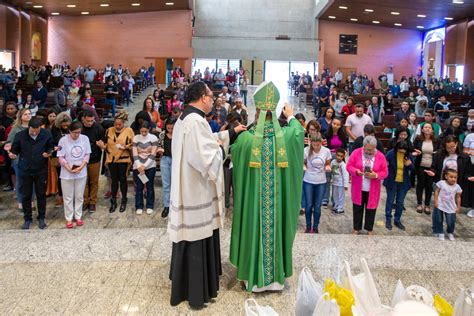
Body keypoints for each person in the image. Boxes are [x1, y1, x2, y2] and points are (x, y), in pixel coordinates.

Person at [168, 81, 244, 308]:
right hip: (195, 192)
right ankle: (197, 293)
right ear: (202, 97)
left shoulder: (185, 119)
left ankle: (185, 285)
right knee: (196, 236)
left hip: (187, 187)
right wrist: (221, 150)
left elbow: (208, 141)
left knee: (189, 236)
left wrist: (231, 132)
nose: (214, 101)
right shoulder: (196, 121)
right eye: (211, 97)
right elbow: (206, 157)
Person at [230, 81, 304, 292]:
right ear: (276, 110)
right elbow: (299, 132)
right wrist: (290, 115)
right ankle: (275, 281)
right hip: (277, 205)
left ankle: (252, 278)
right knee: (275, 228)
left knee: (254, 227)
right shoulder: (288, 137)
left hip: (254, 204)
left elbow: (232, 152)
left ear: (258, 111)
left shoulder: (246, 139)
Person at [9, 117, 54, 229]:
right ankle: (27, 218)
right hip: (25, 169)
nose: (34, 133)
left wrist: (48, 153)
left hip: (40, 169)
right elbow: (15, 150)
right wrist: (12, 154)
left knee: (41, 195)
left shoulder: (46, 134)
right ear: (28, 127)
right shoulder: (20, 135)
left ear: (40, 127)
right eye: (32, 130)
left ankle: (41, 217)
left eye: (36, 130)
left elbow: (50, 147)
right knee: (26, 195)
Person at [346, 136, 388, 235]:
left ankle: (369, 229)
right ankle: (356, 228)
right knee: (357, 208)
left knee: (371, 209)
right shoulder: (356, 152)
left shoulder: (381, 156)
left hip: (372, 189)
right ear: (363, 146)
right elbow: (349, 166)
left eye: (372, 150)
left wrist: (376, 175)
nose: (369, 152)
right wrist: (355, 171)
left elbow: (385, 172)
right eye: (367, 149)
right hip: (358, 187)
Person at [57, 121, 91, 229]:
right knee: (68, 197)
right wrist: (68, 168)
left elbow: (87, 154)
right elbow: (60, 157)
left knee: (79, 196)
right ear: (69, 131)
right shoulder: (63, 140)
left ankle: (78, 216)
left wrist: (81, 166)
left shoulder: (85, 138)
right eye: (74, 133)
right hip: (67, 172)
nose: (77, 135)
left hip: (81, 171)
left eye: (79, 132)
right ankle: (68, 218)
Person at [105, 112, 134, 213]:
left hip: (123, 158)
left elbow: (132, 144)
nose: (117, 126)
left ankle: (124, 200)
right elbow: (106, 144)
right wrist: (102, 146)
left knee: (123, 180)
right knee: (114, 180)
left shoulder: (129, 130)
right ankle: (113, 201)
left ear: (123, 123)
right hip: (112, 159)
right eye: (115, 124)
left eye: (119, 124)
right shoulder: (109, 130)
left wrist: (125, 146)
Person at [303, 133, 331, 233]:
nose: (315, 147)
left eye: (318, 145)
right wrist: (304, 166)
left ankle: (315, 227)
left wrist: (328, 167)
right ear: (311, 143)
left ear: (321, 143)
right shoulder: (306, 150)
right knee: (309, 205)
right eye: (313, 145)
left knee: (317, 206)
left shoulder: (326, 151)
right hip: (308, 180)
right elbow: (304, 162)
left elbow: (327, 163)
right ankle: (308, 225)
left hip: (321, 181)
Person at [383, 140, 414, 230]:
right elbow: (384, 164)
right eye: (400, 151)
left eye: (403, 151)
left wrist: (410, 164)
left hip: (403, 183)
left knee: (400, 202)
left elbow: (413, 169)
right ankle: (388, 219)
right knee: (390, 201)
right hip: (392, 181)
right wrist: (386, 164)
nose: (401, 152)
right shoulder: (390, 153)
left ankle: (397, 220)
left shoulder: (408, 155)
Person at [132, 121, 158, 215]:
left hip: (150, 165)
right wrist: (139, 166)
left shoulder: (153, 138)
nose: (143, 133)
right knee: (139, 187)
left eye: (145, 131)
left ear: (149, 129)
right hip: (137, 166)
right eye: (142, 131)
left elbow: (153, 154)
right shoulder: (136, 138)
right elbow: (135, 154)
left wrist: (145, 166)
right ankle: (139, 205)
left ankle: (150, 205)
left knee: (149, 186)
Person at [81, 110, 105, 213]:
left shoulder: (98, 127)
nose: (90, 123)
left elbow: (103, 140)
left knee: (94, 181)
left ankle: (92, 202)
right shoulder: (80, 128)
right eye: (88, 121)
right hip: (81, 159)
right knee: (83, 182)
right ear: (83, 119)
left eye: (92, 121)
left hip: (95, 158)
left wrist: (101, 144)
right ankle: (85, 201)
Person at [413, 123, 439, 215]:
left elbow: (440, 152)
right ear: (422, 129)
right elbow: (413, 149)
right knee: (420, 184)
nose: (427, 129)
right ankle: (419, 203)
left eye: (429, 127)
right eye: (425, 127)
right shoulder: (418, 139)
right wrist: (416, 152)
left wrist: (437, 153)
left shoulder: (436, 140)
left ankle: (427, 205)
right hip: (420, 165)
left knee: (429, 186)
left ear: (432, 130)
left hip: (432, 166)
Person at [433, 168, 462, 241]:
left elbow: (458, 197)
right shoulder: (441, 183)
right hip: (440, 205)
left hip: (451, 207)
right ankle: (440, 232)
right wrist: (436, 201)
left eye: (455, 177)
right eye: (451, 177)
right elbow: (436, 191)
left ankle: (450, 232)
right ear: (446, 176)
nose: (453, 179)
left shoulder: (457, 187)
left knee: (450, 221)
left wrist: (458, 207)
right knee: (439, 219)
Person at [157, 117, 176, 218]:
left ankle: (175, 206)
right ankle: (166, 206)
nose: (170, 130)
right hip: (165, 159)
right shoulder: (162, 134)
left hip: (175, 160)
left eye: (172, 128)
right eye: (168, 128)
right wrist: (159, 150)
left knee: (175, 184)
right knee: (166, 184)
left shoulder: (179, 134)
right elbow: (159, 146)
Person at [331, 148, 349, 214]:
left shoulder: (343, 165)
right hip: (334, 182)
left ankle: (340, 207)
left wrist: (346, 184)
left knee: (340, 196)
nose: (339, 157)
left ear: (343, 157)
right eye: (338, 155)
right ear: (335, 155)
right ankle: (336, 206)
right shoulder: (333, 162)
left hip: (341, 183)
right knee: (334, 195)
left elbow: (345, 175)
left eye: (341, 156)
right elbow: (331, 170)